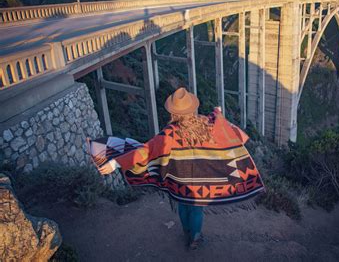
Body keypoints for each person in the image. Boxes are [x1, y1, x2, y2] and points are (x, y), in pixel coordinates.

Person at [98, 87, 263, 250]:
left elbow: (144, 152)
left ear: (173, 113)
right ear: (192, 109)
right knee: (196, 209)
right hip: (201, 181)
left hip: (179, 180)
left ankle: (187, 232)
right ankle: (195, 238)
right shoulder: (204, 123)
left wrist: (116, 163)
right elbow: (216, 120)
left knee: (183, 205)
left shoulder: (168, 133)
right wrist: (217, 112)